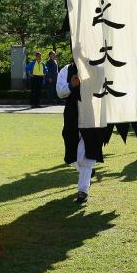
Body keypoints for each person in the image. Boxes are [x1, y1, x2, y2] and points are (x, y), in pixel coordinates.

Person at [57, 60, 109, 203]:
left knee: (89, 151)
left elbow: (105, 88)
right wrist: (71, 85)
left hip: (92, 113)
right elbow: (60, 92)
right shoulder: (66, 70)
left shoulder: (98, 68)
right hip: (72, 115)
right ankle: (87, 172)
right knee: (73, 154)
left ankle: (83, 190)